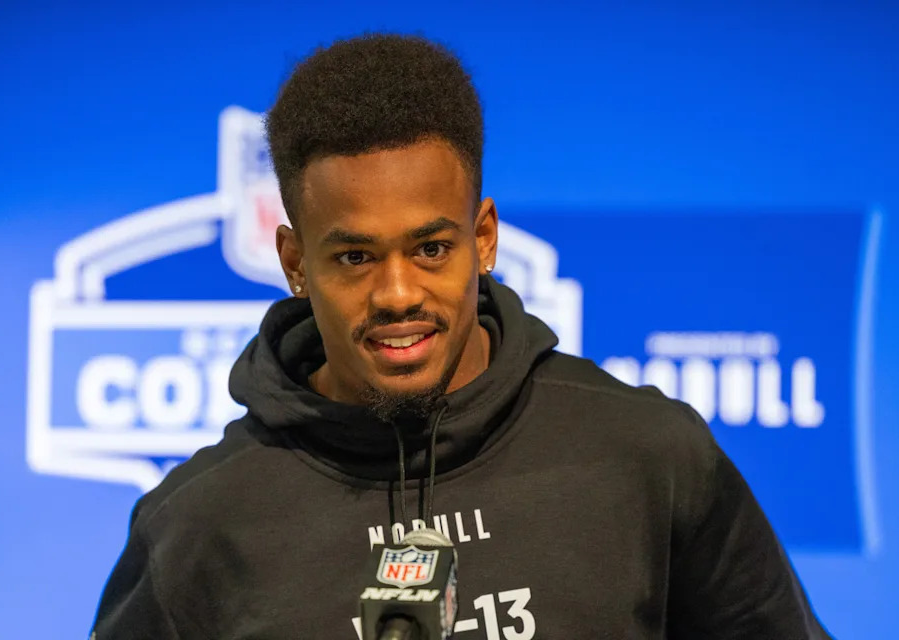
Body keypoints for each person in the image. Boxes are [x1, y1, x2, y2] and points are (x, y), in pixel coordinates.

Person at [91, 33, 831, 639]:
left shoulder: (649, 457)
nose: (398, 294)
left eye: (431, 248)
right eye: (355, 257)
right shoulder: (197, 526)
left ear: (483, 239)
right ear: (294, 262)